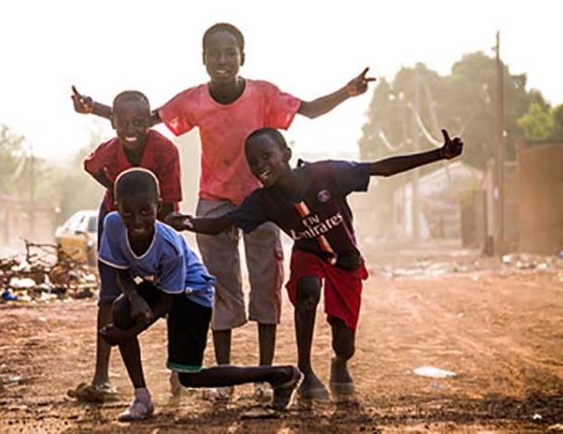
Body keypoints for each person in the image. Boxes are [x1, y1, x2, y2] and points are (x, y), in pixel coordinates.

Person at [71, 22, 375, 401]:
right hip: (214, 197)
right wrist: (94, 108)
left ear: (242, 57)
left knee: (266, 282)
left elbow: (309, 110)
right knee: (218, 286)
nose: (222, 59)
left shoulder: (263, 94)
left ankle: (266, 375)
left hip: (263, 201)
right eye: (214, 53)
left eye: (230, 52)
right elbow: (143, 120)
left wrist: (347, 92)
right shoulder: (193, 99)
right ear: (203, 59)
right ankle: (225, 376)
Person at [167, 127, 464, 400]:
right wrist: (189, 223)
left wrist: (439, 154)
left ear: (286, 154)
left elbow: (381, 169)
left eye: (266, 156)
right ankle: (305, 370)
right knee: (307, 290)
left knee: (344, 342)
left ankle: (339, 362)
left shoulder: (328, 174)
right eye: (253, 161)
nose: (259, 166)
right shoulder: (263, 201)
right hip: (309, 255)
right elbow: (222, 223)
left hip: (346, 262)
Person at [98, 168, 302, 421]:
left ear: (158, 207)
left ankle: (280, 375)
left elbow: (169, 301)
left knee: (190, 376)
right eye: (127, 212)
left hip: (192, 292)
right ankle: (142, 398)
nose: (136, 220)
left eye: (144, 211)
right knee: (121, 309)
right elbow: (122, 272)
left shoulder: (169, 245)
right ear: (116, 207)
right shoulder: (113, 225)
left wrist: (126, 334)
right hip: (163, 285)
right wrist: (135, 298)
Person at [78, 90, 182, 400]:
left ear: (149, 122)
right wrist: (115, 188)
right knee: (109, 294)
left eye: (138, 122)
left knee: (171, 292)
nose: (130, 129)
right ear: (112, 123)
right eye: (122, 122)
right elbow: (90, 165)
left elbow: (170, 199)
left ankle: (179, 369)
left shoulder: (165, 150)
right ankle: (101, 376)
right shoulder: (109, 152)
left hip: (158, 220)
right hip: (114, 217)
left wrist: (154, 237)